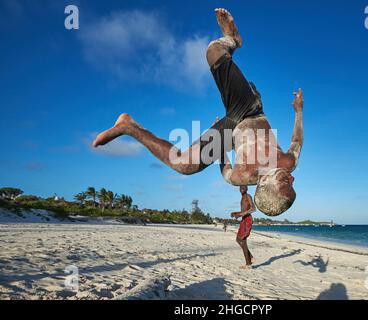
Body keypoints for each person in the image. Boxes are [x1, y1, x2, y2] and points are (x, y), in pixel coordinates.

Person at [92, 8, 304, 216]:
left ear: (265, 183)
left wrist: (218, 140)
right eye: (289, 181)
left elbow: (225, 171)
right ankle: (232, 40)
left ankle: (129, 126)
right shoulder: (288, 163)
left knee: (184, 165)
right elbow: (296, 141)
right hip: (249, 111)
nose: (292, 179)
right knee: (214, 51)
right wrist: (298, 111)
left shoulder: (241, 176)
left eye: (287, 182)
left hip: (230, 130)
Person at [231, 186, 256, 269]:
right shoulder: (242, 198)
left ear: (246, 189)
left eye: (243, 188)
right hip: (243, 220)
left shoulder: (248, 196)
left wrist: (241, 214)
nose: (241, 190)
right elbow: (242, 211)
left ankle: (248, 264)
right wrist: (235, 213)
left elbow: (253, 209)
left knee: (243, 240)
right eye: (240, 188)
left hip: (248, 219)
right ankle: (250, 257)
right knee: (238, 239)